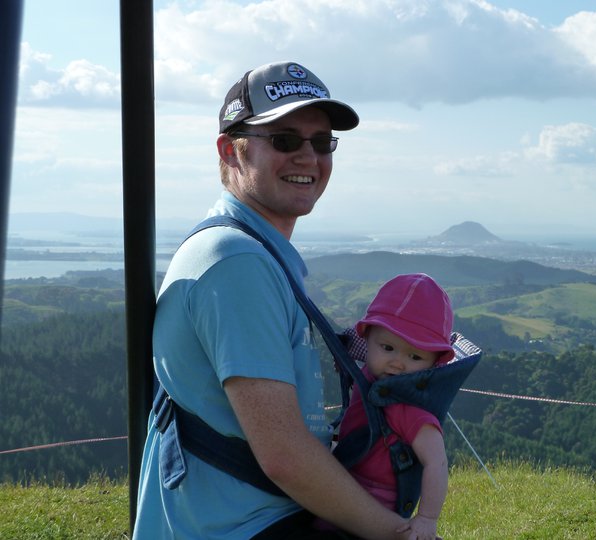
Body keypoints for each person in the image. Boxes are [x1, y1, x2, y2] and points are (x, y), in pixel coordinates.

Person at [133, 61, 414, 539]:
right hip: (243, 527)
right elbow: (284, 456)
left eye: (321, 142)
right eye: (284, 139)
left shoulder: (254, 250)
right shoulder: (236, 261)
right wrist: (397, 532)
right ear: (230, 151)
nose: (308, 156)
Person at [322, 273, 454, 540]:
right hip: (344, 482)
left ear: (433, 363)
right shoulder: (372, 375)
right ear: (368, 339)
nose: (398, 363)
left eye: (415, 356)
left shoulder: (408, 406)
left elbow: (437, 462)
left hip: (376, 503)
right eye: (388, 348)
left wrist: (427, 518)